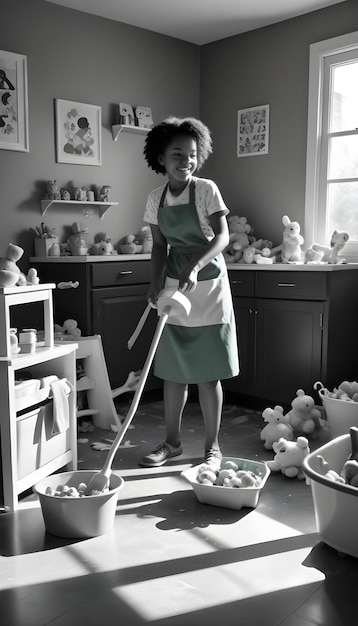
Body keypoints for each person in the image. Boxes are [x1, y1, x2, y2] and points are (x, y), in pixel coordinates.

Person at [140, 116, 239, 470]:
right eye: (178, 154)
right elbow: (158, 246)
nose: (186, 161)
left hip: (208, 284)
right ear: (161, 159)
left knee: (208, 372)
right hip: (173, 286)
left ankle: (212, 448)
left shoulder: (207, 189)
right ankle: (172, 443)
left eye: (192, 154)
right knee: (173, 370)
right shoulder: (155, 198)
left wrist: (194, 266)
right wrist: (154, 282)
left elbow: (222, 237)